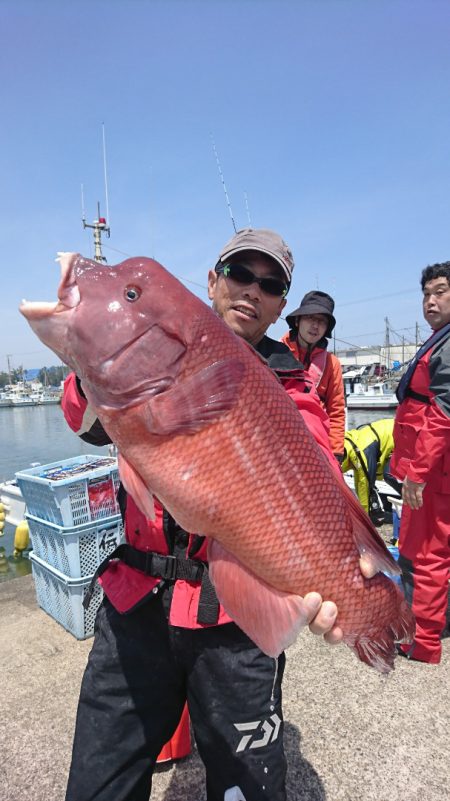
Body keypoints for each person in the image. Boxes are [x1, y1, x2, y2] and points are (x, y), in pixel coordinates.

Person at [63, 228, 376, 801]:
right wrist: (93, 362)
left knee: (247, 788)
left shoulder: (292, 384)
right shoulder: (158, 345)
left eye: (270, 284)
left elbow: (314, 465)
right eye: (239, 273)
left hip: (233, 626)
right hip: (135, 604)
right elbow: (84, 420)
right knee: (96, 784)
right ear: (212, 280)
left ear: (281, 305)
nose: (252, 290)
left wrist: (344, 574)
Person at [390, 260, 450, 665]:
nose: (430, 301)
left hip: (433, 473)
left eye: (440, 292)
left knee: (424, 553)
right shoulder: (439, 340)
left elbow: (443, 412)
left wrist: (418, 473)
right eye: (426, 294)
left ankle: (422, 641)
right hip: (433, 469)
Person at [281, 291, 345, 462]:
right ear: (297, 320)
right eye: (310, 317)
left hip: (318, 446)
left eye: (322, 321)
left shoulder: (332, 364)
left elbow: (336, 411)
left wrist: (336, 453)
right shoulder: (276, 353)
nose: (315, 325)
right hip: (280, 440)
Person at [340, 418, 401, 523]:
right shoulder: (352, 445)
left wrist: (365, 519)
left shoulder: (360, 453)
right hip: (393, 432)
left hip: (400, 435)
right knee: (375, 478)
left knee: (390, 475)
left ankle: (417, 505)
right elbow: (360, 481)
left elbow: (364, 484)